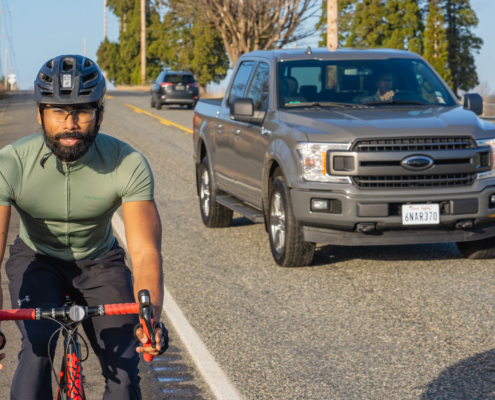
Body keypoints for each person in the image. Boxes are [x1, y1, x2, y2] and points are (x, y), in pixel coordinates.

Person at [0, 55, 168, 400]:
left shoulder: (127, 163)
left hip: (100, 262)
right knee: (35, 355)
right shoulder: (10, 163)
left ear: (100, 115)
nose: (70, 123)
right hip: (36, 259)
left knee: (124, 374)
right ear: (40, 114)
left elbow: (145, 252)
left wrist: (150, 321)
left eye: (82, 111)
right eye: (58, 111)